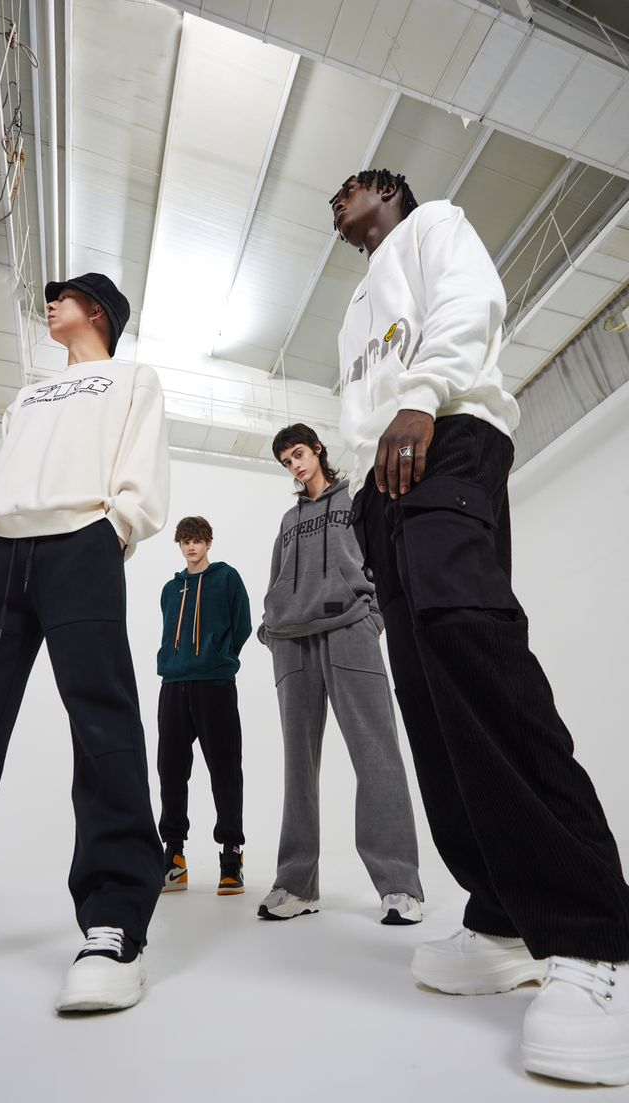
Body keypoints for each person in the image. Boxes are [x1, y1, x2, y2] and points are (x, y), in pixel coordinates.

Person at [331, 168, 629, 1086]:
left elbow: (475, 298)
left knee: (472, 642)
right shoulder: (351, 310)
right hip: (380, 480)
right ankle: (502, 916)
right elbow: (358, 407)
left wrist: (422, 394)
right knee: (425, 692)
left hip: (445, 434)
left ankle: (593, 934)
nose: (338, 204)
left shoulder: (437, 226)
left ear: (389, 192)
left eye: (352, 189)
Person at [0, 272, 170, 1014]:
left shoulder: (132, 377)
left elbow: (140, 469)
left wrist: (112, 530)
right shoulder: (27, 395)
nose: (52, 304)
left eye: (67, 296)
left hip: (80, 543)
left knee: (102, 727)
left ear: (100, 311)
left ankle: (114, 919)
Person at [257, 423, 422, 924]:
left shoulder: (355, 501)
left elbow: (381, 558)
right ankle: (297, 883)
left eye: (300, 453)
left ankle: (399, 885)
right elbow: (276, 576)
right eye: (287, 461)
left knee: (377, 753)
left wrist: (373, 617)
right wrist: (270, 629)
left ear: (319, 450)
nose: (296, 465)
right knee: (297, 766)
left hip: (349, 628)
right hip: (291, 641)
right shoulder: (288, 519)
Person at [156, 516, 251, 895]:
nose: (191, 547)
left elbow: (241, 625)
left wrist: (220, 657)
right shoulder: (170, 589)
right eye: (185, 541)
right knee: (171, 770)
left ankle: (231, 854)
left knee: (225, 767)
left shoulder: (226, 579)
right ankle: (174, 856)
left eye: (197, 540)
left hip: (215, 684)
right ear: (179, 546)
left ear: (209, 542)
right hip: (173, 685)